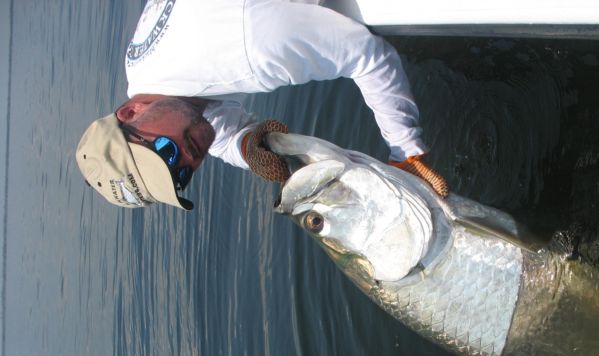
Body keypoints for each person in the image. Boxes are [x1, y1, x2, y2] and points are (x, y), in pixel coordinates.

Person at [75, 0, 448, 211]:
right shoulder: (145, 76)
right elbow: (217, 135)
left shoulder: (246, 47)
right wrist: (248, 147)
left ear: (130, 113)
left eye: (164, 152)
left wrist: (407, 155)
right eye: (180, 175)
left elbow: (369, 56)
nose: (188, 159)